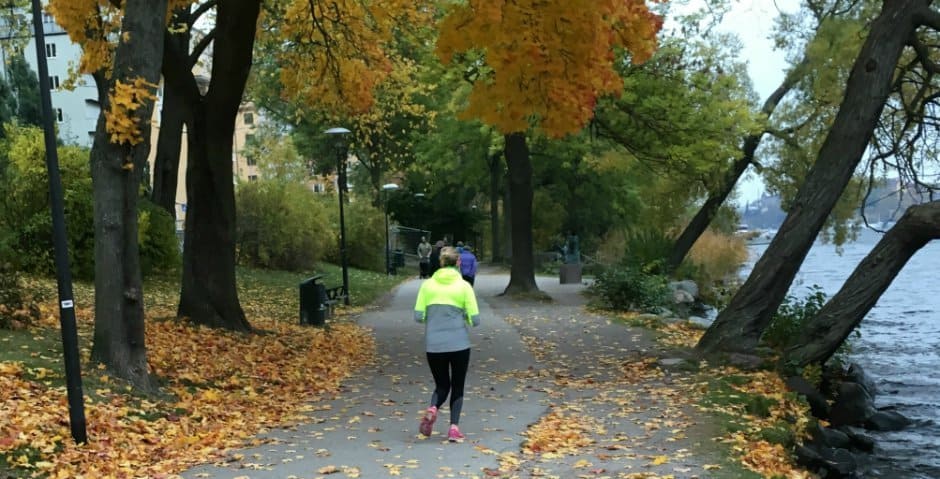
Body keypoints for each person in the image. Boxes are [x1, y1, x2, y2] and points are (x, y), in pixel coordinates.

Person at [414, 247, 480, 442]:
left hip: (434, 345)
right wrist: (464, 318)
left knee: (441, 385)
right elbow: (475, 320)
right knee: (457, 386)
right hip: (459, 344)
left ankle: (433, 407)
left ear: (441, 263)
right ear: (458, 263)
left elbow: (418, 316)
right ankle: (453, 428)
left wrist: (432, 316)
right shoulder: (464, 287)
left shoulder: (427, 286)